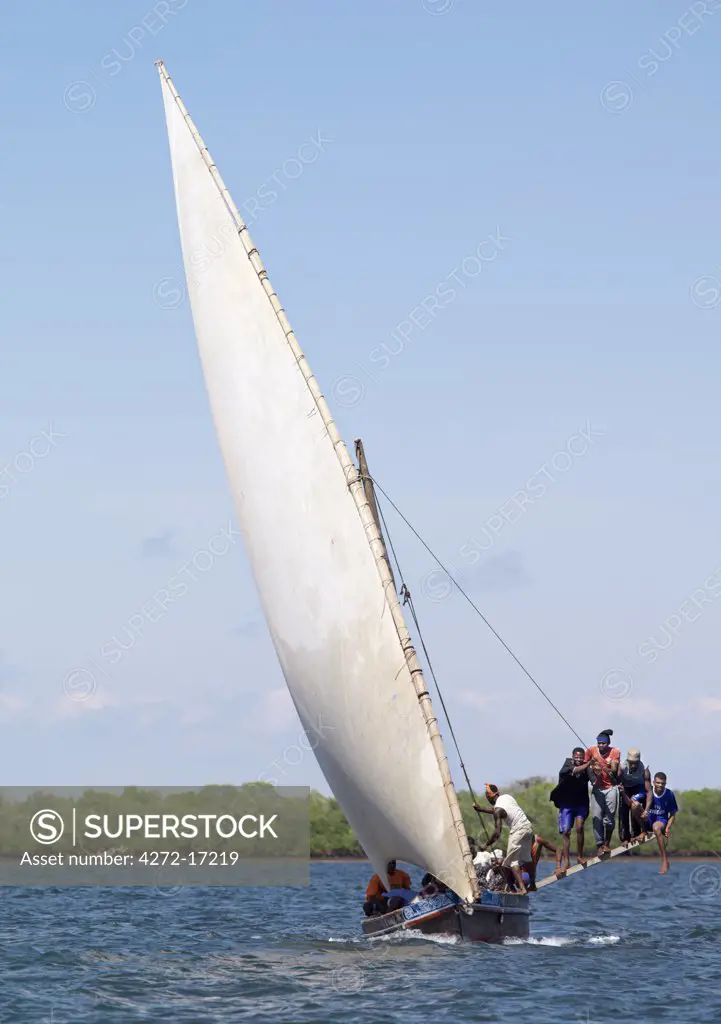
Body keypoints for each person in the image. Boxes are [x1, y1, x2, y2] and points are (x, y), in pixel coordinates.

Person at [473, 783, 533, 894]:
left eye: (487, 797)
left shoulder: (497, 810)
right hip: (528, 829)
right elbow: (501, 811)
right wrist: (481, 809)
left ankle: (522, 889)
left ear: (490, 796)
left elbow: (497, 833)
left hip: (518, 830)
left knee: (511, 863)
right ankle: (528, 886)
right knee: (524, 860)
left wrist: (486, 845)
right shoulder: (507, 797)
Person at [573, 729, 620, 856]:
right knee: (597, 817)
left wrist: (609, 767)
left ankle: (607, 843)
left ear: (608, 743)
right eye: (599, 743)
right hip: (597, 788)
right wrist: (593, 778)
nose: (600, 746)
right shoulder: (591, 751)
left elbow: (615, 768)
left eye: (603, 743)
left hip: (611, 788)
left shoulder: (615, 752)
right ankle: (599, 845)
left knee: (609, 820)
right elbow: (587, 765)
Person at [550, 746, 590, 871]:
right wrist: (589, 763)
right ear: (572, 757)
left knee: (579, 827)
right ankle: (566, 862)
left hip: (581, 804)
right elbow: (576, 770)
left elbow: (595, 779)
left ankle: (579, 856)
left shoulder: (587, 768)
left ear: (584, 758)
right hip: (566, 804)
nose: (578, 759)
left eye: (581, 758)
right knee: (566, 832)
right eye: (576, 757)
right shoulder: (567, 766)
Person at [631, 772, 678, 874]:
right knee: (634, 805)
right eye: (658, 783)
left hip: (661, 821)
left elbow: (673, 814)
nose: (660, 785)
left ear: (665, 783)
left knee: (656, 827)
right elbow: (632, 801)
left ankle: (665, 861)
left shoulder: (669, 794)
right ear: (653, 782)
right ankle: (642, 832)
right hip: (647, 820)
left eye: (662, 783)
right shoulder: (648, 791)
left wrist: (667, 828)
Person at [618, 748, 651, 844]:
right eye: (631, 762)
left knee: (634, 804)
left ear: (639, 761)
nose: (633, 765)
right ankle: (625, 838)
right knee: (623, 810)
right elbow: (617, 781)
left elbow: (649, 791)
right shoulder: (622, 767)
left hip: (639, 788)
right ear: (628, 761)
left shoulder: (644, 770)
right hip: (626, 789)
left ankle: (638, 832)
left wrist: (647, 810)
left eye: (636, 763)